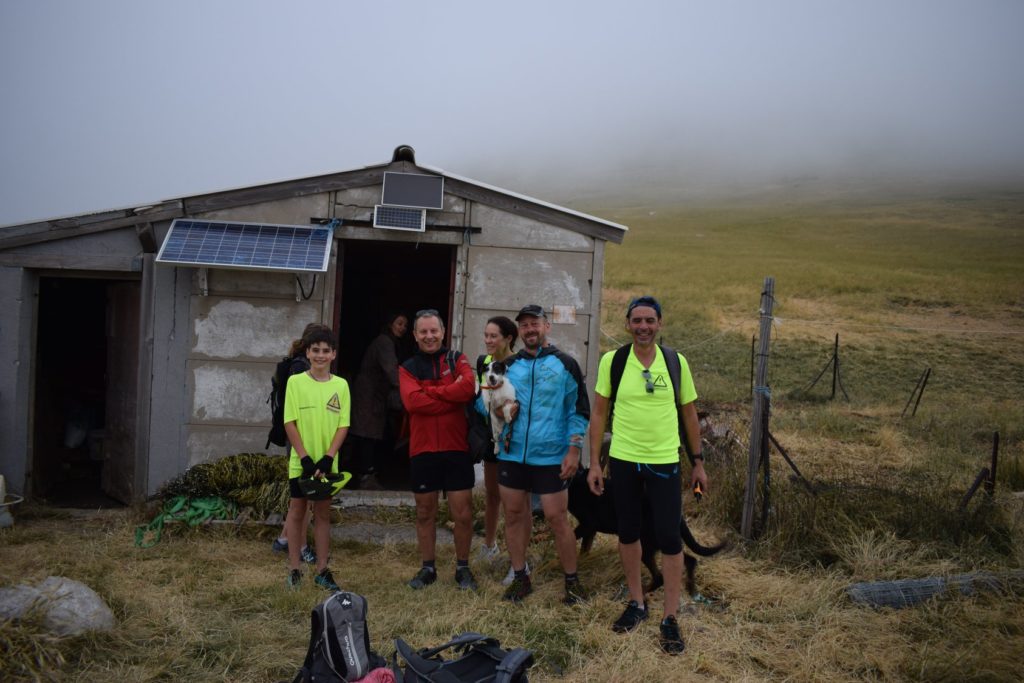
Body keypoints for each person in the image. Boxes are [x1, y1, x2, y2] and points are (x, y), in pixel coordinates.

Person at [586, 295, 708, 655]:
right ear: (627, 324)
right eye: (636, 320)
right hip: (623, 461)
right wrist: (595, 463)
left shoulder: (675, 362)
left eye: (649, 321)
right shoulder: (614, 360)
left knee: (670, 538)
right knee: (628, 532)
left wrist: (698, 462)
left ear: (659, 324)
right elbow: (598, 415)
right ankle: (637, 603)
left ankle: (670, 617)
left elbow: (689, 415)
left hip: (664, 462)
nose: (643, 327)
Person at [499, 304, 590, 605]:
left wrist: (574, 449)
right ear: (519, 331)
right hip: (513, 455)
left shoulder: (565, 364)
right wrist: (501, 410)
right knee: (513, 515)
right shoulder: (508, 365)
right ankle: (520, 577)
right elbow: (485, 403)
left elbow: (578, 411)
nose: (530, 329)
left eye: (535, 323)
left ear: (547, 326)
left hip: (551, 455)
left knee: (556, 517)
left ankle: (573, 583)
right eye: (524, 325)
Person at [399, 309, 478, 591]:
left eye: (434, 331)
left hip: (457, 448)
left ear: (444, 332)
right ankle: (428, 568)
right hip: (423, 450)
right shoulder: (407, 367)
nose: (429, 336)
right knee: (424, 512)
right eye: (424, 331)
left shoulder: (458, 359)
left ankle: (463, 568)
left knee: (463, 513)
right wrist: (450, 396)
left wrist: (430, 392)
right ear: (416, 335)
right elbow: (413, 403)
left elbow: (468, 389)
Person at [283, 326, 350, 591]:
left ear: (333, 354)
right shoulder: (296, 382)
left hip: (327, 464)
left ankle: (322, 569)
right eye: (315, 350)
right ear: (307, 353)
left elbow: (343, 425)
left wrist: (327, 458)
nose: (320, 355)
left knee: (322, 514)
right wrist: (305, 457)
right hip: (302, 463)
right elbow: (290, 421)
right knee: (297, 512)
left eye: (326, 351)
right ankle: (295, 569)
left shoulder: (341, 385)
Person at [271, 322, 325, 563]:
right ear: (309, 348)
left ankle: (284, 540)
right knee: (305, 496)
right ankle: (300, 546)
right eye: (318, 347)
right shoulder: (300, 370)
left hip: (304, 439)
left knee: (305, 496)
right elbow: (296, 412)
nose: (321, 354)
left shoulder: (296, 363)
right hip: (301, 440)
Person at [472, 316, 518, 568]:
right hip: (491, 438)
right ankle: (490, 545)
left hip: (514, 440)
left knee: (515, 501)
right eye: (486, 335)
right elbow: (481, 398)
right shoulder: (484, 363)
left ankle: (517, 557)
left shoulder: (518, 364)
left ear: (508, 338)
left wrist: (500, 410)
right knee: (492, 495)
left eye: (494, 336)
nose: (488, 341)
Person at [349, 311, 408, 489]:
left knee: (369, 433)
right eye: (399, 323)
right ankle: (365, 475)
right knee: (367, 433)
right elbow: (391, 370)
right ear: (390, 324)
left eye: (405, 325)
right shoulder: (384, 342)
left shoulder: (387, 342)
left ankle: (363, 473)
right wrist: (409, 389)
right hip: (369, 393)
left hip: (374, 393)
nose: (403, 328)